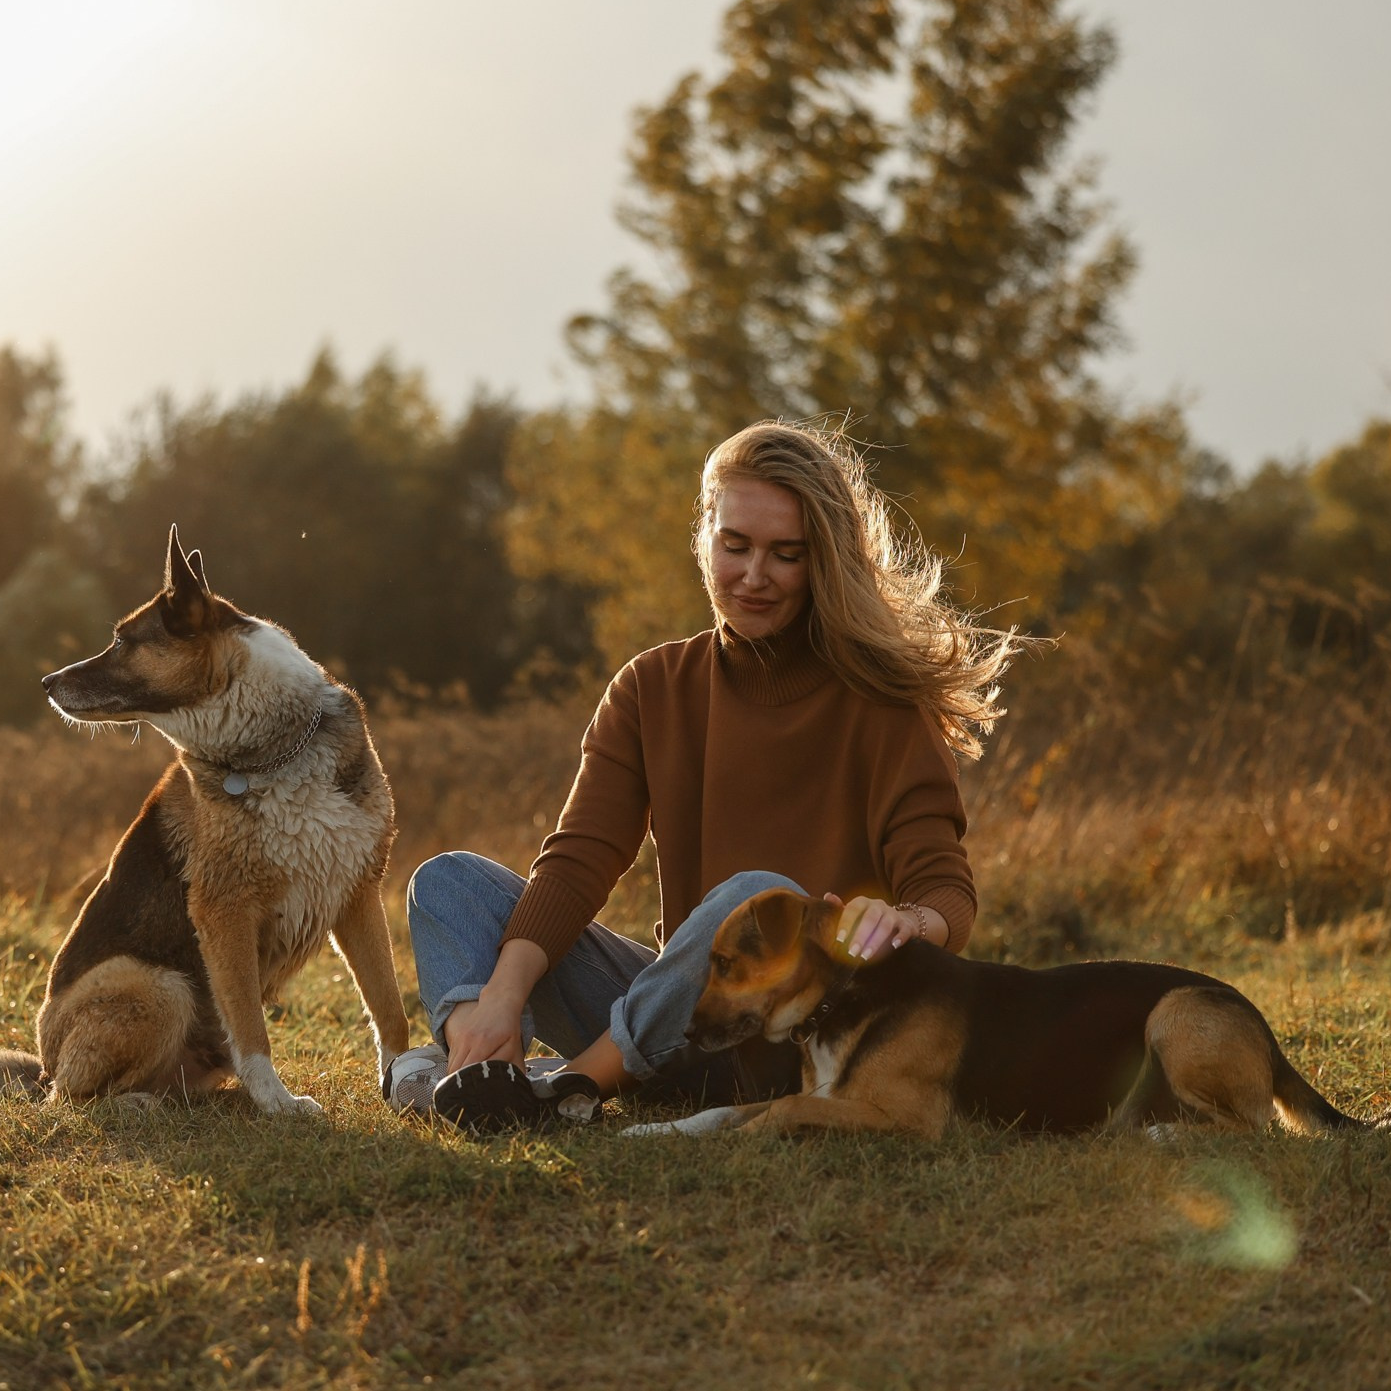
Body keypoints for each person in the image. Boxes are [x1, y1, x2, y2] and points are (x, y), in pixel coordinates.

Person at [387, 419, 1021, 1131]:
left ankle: (566, 1086)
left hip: (798, 1040)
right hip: (683, 1012)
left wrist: (905, 921)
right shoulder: (653, 685)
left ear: (824, 562)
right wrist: (504, 993)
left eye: (786, 554)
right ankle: (482, 1078)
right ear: (704, 538)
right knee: (448, 882)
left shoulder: (884, 705)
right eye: (735, 545)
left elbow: (946, 891)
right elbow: (579, 860)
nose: (754, 575)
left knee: (756, 896)